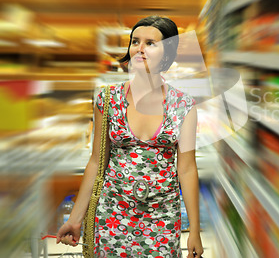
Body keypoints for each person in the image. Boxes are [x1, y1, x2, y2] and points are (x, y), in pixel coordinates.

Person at [56, 16, 204, 258]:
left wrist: (194, 230)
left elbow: (187, 169)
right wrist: (75, 219)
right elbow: (96, 161)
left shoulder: (184, 106)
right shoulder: (108, 100)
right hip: (113, 214)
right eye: (135, 41)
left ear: (167, 53)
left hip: (162, 219)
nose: (140, 48)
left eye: (150, 43)